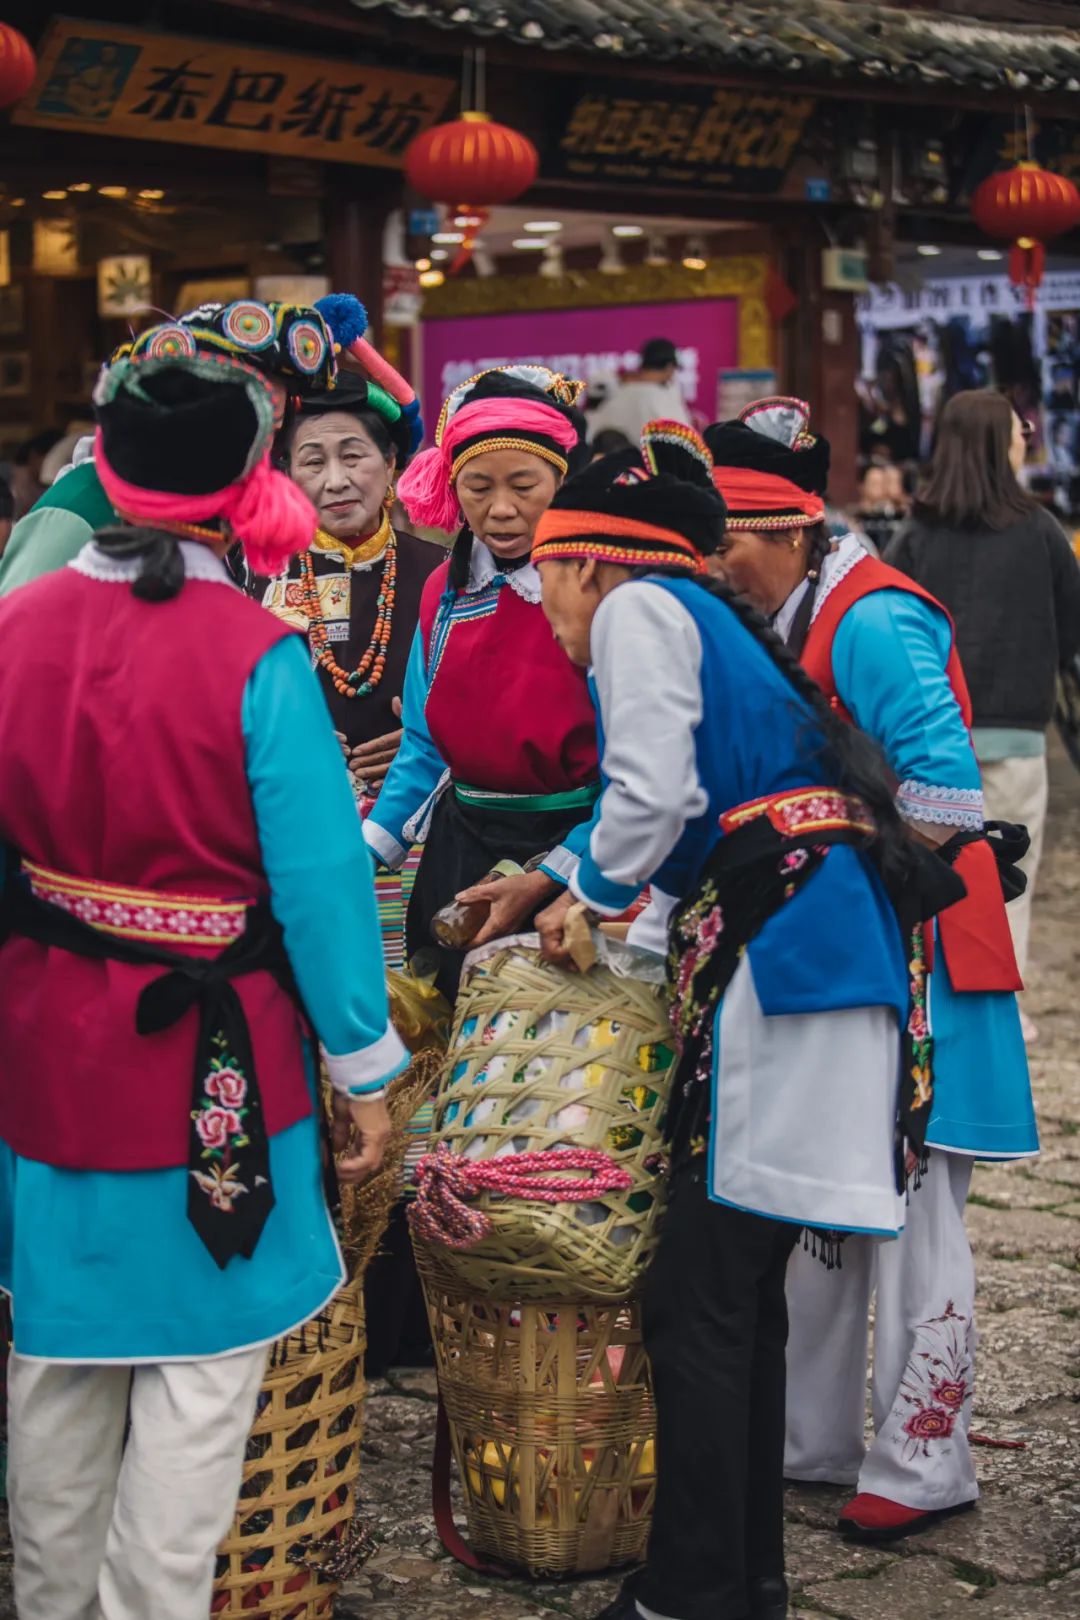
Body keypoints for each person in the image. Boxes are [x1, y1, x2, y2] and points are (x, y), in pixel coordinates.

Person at [0, 348, 406, 1620]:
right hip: (217, 1062)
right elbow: (324, 887)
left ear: (104, 473)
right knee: (202, 1375)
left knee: (52, 1365)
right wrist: (366, 1066)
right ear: (249, 485)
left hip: (48, 1046)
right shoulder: (255, 652)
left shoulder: (16, 626)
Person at [531, 421, 922, 1620]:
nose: (545, 602)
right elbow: (687, 810)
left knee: (698, 1299)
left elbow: (653, 798)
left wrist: (579, 901)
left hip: (787, 962)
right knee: (735, 1295)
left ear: (589, 558)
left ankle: (692, 1590)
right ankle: (741, 1578)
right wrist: (570, 874)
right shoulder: (712, 624)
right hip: (817, 955)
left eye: (548, 571)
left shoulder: (644, 610)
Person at [707, 395, 1036, 1543]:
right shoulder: (803, 607)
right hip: (865, 935)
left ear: (795, 530)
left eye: (733, 537)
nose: (718, 561)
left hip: (924, 939)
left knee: (918, 1205)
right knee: (834, 1194)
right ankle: (812, 1433)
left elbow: (949, 801)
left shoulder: (870, 620)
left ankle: (925, 1452)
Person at [255, 319, 442, 1379]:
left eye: (353, 455)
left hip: (416, 850)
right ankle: (335, 1302)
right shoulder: (263, 577)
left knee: (418, 1074)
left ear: (391, 463)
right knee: (329, 1065)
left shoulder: (440, 568)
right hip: (317, 858)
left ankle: (416, 1306)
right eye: (310, 460)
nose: (333, 479)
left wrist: (424, 759)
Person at [363, 364, 600, 1001]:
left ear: (562, 479)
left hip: (573, 857)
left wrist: (555, 874)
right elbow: (423, 744)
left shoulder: (596, 590)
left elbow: (634, 774)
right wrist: (364, 857)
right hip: (459, 850)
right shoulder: (444, 589)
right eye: (476, 488)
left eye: (525, 485)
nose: (500, 509)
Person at [887, 389, 1080, 1036]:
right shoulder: (1043, 530)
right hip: (1019, 737)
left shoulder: (916, 535)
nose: (1027, 436)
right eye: (1020, 429)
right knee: (1010, 872)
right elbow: (1072, 628)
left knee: (936, 867)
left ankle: (929, 995)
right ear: (1002, 443)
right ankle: (1001, 1007)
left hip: (928, 739)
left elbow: (887, 623)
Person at [0, 298, 341, 598]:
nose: (258, 452)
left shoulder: (232, 516)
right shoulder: (78, 509)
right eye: (245, 427)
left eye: (273, 432)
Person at [586, 339, 692, 446]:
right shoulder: (662, 395)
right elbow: (684, 441)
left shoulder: (614, 388)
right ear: (669, 367)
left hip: (602, 457)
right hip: (643, 459)